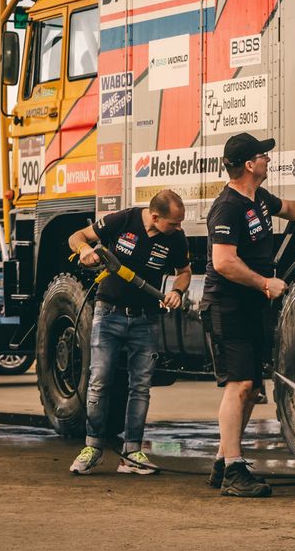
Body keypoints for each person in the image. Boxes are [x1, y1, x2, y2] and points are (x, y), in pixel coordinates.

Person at [202, 132, 295, 497]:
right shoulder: (228, 207)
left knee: (251, 389)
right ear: (249, 165)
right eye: (263, 155)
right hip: (227, 306)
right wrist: (265, 283)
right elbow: (223, 262)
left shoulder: (259, 198)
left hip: (250, 306)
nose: (269, 158)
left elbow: (288, 208)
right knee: (241, 385)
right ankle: (235, 472)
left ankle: (223, 461)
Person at [66, 190, 192, 475]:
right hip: (108, 314)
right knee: (99, 381)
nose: (178, 228)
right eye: (173, 223)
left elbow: (184, 271)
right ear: (155, 217)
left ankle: (132, 453)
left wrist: (177, 290)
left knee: (140, 387)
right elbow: (78, 236)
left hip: (146, 320)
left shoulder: (174, 238)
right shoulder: (124, 220)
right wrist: (85, 251)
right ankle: (92, 447)